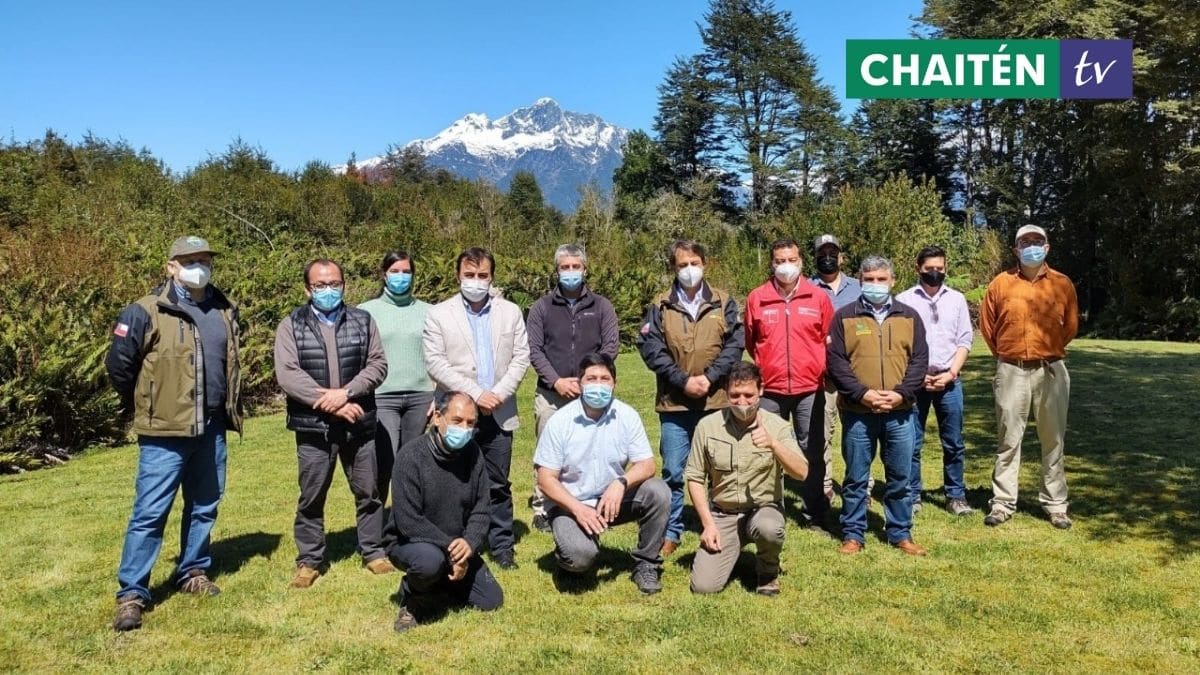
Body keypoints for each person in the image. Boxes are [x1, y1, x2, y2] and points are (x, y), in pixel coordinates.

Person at [105, 235, 243, 632]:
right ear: (170, 266)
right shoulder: (144, 311)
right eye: (189, 260)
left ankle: (193, 572)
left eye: (204, 259)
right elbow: (120, 367)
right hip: (164, 431)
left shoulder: (222, 309)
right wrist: (151, 405)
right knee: (150, 513)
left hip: (212, 427)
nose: (198, 265)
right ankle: (132, 592)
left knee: (204, 505)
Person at [274, 258, 393, 588]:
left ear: (344, 284)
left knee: (369, 492)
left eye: (334, 284)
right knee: (311, 496)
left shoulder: (362, 320)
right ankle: (309, 560)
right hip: (313, 426)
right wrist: (331, 403)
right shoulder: (291, 325)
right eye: (320, 285)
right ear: (307, 289)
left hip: (360, 423)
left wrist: (347, 393)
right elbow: (288, 373)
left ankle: (373, 551)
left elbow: (377, 364)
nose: (328, 290)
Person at [422, 247, 530, 568]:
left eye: (482, 275)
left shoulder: (510, 312)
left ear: (491, 277)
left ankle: (501, 547)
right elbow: (435, 363)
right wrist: (475, 394)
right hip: (457, 412)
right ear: (458, 276)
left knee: (497, 483)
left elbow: (521, 357)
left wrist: (497, 394)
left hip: (499, 410)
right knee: (451, 481)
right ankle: (449, 544)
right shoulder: (439, 314)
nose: (476, 281)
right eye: (469, 275)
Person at [637, 239, 744, 556]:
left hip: (717, 403)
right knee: (673, 471)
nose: (689, 269)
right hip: (675, 404)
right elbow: (651, 349)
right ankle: (671, 531)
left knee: (719, 468)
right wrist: (683, 381)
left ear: (705, 264)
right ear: (674, 267)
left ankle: (718, 526)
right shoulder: (659, 305)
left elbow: (735, 345)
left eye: (694, 262)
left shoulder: (724, 303)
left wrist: (710, 378)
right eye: (682, 264)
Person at [534, 353, 670, 595]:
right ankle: (568, 556)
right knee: (581, 558)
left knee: (658, 492)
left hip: (612, 500)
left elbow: (647, 465)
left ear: (614, 384)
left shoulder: (627, 415)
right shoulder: (560, 421)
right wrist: (578, 509)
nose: (598, 384)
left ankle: (646, 565)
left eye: (604, 379)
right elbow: (545, 480)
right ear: (580, 383)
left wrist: (621, 483)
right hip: (570, 505)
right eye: (591, 378)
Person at [826, 255, 929, 556]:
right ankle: (853, 534)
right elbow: (837, 362)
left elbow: (919, 360)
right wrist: (862, 393)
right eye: (869, 280)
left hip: (900, 412)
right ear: (860, 281)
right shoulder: (844, 317)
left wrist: (901, 394)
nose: (875, 285)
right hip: (859, 412)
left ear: (893, 281)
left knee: (900, 476)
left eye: (881, 279)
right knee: (856, 476)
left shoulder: (909, 316)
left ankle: (900, 533)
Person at [980, 225, 1079, 529]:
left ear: (1047, 248)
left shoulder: (1062, 284)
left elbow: (1070, 326)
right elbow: (988, 326)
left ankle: (1055, 504)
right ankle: (1002, 503)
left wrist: (1047, 349)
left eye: (1038, 242)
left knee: (1053, 439)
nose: (1032, 247)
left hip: (1051, 369)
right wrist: (1010, 356)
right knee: (1009, 438)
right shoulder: (1000, 284)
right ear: (1016, 250)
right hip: (1011, 369)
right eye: (1025, 242)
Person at [686, 362, 808, 596]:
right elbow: (694, 477)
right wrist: (708, 524)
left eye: (749, 395)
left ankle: (767, 571)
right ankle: (730, 547)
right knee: (703, 587)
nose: (742, 402)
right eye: (735, 395)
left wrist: (773, 444)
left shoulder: (777, 426)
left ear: (761, 391)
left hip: (763, 509)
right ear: (726, 393)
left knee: (769, 528)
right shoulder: (708, 426)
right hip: (723, 513)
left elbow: (801, 472)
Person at [386, 392, 503, 632]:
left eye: (471, 423)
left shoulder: (474, 454)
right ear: (438, 418)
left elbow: (482, 508)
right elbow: (409, 522)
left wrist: (469, 545)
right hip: (412, 543)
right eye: (457, 420)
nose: (465, 428)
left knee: (491, 600)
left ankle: (438, 584)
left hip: (457, 544)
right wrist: (454, 551)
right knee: (429, 562)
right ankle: (412, 595)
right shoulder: (410, 456)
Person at [526, 244, 620, 532]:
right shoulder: (541, 307)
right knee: (547, 449)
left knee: (594, 445)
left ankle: (593, 498)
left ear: (585, 269)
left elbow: (610, 346)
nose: (570, 272)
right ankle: (543, 507)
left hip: (591, 392)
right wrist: (555, 380)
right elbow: (534, 348)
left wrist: (586, 380)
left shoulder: (602, 306)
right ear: (556, 270)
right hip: (551, 392)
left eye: (575, 266)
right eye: (564, 267)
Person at [743, 237, 833, 533]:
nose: (786, 266)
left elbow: (827, 339)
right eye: (780, 260)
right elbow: (751, 341)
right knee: (767, 450)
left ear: (801, 262)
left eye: (791, 260)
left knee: (812, 450)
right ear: (771, 263)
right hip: (770, 389)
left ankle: (814, 513)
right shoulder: (757, 298)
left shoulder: (818, 297)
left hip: (810, 388)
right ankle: (768, 510)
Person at [896, 246, 975, 516]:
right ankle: (913, 494)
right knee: (912, 442)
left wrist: (951, 373)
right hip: (916, 381)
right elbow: (899, 345)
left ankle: (955, 495)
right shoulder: (904, 300)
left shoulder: (957, 299)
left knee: (953, 442)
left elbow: (965, 339)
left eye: (940, 269)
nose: (935, 273)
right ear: (918, 267)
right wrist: (918, 375)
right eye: (929, 268)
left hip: (950, 380)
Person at [359, 251, 435, 504]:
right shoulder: (365, 312)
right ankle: (376, 525)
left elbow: (438, 356)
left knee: (414, 463)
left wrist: (439, 395)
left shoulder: (430, 311)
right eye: (394, 271)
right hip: (382, 398)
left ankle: (408, 519)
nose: (400, 277)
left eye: (406, 271)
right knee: (384, 460)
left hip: (421, 397)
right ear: (384, 274)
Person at [810, 234, 862, 509]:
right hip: (824, 376)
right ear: (815, 257)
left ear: (841, 257)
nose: (827, 258)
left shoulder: (859, 287)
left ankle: (860, 485)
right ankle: (825, 486)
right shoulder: (806, 288)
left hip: (856, 375)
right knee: (822, 434)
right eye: (822, 253)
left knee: (857, 433)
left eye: (833, 252)